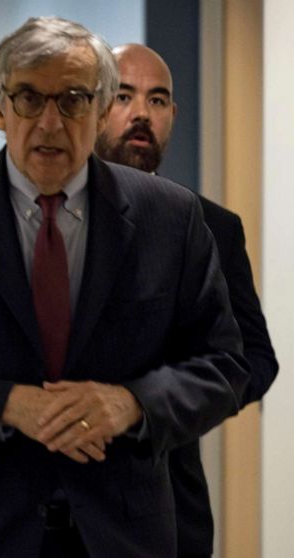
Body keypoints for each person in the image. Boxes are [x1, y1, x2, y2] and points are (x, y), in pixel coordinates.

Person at [0, 17, 249, 557]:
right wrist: (5, 406)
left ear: (103, 108)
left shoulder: (171, 218)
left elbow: (223, 365)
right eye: (29, 99)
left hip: (124, 533)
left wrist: (131, 403)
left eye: (73, 99)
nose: (50, 123)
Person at [96, 43, 278, 558]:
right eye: (122, 96)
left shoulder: (211, 225)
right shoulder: (41, 215)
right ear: (89, 104)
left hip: (168, 499)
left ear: (172, 115)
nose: (140, 114)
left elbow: (253, 362)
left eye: (156, 101)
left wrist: (164, 402)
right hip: (43, 507)